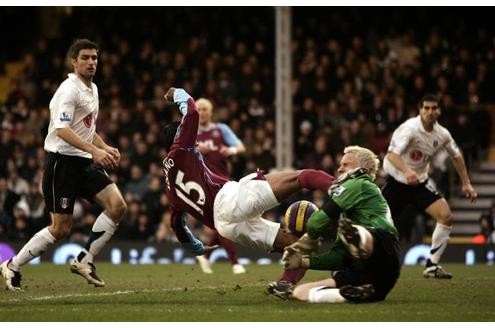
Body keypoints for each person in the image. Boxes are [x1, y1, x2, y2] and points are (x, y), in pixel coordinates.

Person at [0, 39, 127, 291]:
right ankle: (12, 265)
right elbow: (61, 130)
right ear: (74, 62)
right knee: (60, 229)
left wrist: (103, 147)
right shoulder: (68, 90)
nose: (91, 62)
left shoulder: (93, 89)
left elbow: (87, 128)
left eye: (94, 58)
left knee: (117, 206)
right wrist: (94, 150)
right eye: (86, 58)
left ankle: (85, 260)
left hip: (83, 161)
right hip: (62, 163)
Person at [161, 87, 334, 258]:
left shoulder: (170, 189)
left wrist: (196, 248)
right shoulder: (181, 148)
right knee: (301, 177)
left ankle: (287, 283)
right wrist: (176, 93)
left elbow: (177, 225)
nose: (196, 142)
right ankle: (340, 189)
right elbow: (192, 110)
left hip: (225, 227)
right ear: (179, 137)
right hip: (230, 200)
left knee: (294, 247)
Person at [276, 146, 401, 303]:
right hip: (369, 275)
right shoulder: (349, 203)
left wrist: (307, 240)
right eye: (340, 164)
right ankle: (352, 294)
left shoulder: (360, 183)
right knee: (300, 293)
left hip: (382, 250)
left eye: (346, 164)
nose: (339, 169)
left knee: (359, 233)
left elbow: (315, 223)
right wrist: (303, 262)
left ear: (363, 168)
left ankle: (358, 236)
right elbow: (338, 258)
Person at [382, 94, 478, 279]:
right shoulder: (409, 129)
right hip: (396, 182)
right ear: (420, 110)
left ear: (439, 111)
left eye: (434, 108)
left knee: (446, 216)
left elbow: (456, 156)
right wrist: (407, 171)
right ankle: (357, 260)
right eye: (426, 108)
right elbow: (392, 155)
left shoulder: (442, 134)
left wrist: (466, 183)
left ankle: (432, 265)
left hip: (419, 183)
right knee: (379, 225)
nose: (430, 112)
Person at [194, 98, 246, 275]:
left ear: (211, 112)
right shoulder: (189, 132)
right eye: (199, 109)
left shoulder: (221, 129)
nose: (202, 112)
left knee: (222, 222)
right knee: (223, 221)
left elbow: (240, 147)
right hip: (204, 183)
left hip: (224, 181)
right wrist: (194, 151)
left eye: (205, 109)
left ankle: (205, 254)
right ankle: (235, 263)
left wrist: (230, 151)